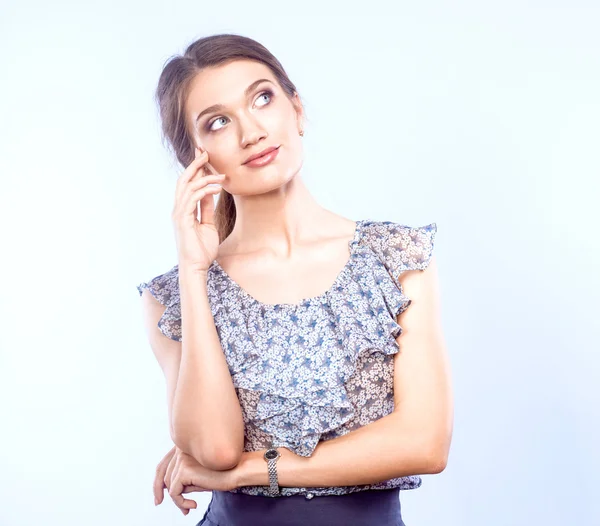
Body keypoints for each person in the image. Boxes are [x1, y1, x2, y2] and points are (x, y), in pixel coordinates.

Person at [136, 33, 453, 526]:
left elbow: (425, 442)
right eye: (218, 122)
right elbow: (215, 449)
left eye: (262, 98)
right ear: (195, 162)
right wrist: (195, 272)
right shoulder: (173, 297)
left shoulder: (395, 257)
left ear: (297, 110)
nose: (251, 132)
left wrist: (249, 472)